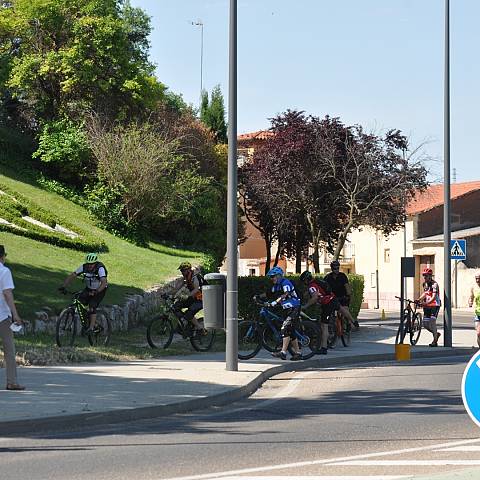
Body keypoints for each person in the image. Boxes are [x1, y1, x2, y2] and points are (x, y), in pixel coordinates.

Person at [300, 270, 356, 354]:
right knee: (341, 308)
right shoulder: (318, 281)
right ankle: (353, 321)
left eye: (304, 281)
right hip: (333, 298)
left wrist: (305, 306)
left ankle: (324, 348)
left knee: (324, 326)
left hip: (327, 304)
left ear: (306, 280)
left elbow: (315, 297)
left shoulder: (312, 286)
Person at [60, 253, 108, 334]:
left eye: (91, 264)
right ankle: (89, 320)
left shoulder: (100, 269)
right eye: (88, 264)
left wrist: (96, 291)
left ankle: (91, 328)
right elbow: (73, 275)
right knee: (79, 300)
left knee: (92, 305)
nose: (89, 266)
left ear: (95, 263)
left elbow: (104, 283)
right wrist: (64, 286)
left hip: (100, 290)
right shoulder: (84, 267)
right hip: (89, 289)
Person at [0, 245, 25, 390]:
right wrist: (15, 315)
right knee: (9, 349)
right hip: (2, 315)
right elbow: (8, 294)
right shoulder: (4, 271)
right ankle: (11, 381)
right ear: (3, 256)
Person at [266, 266, 302, 361]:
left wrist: (276, 302)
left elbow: (286, 294)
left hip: (294, 307)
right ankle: (298, 353)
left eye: (273, 276)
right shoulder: (276, 286)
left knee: (285, 328)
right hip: (286, 309)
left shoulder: (286, 282)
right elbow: (269, 293)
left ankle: (283, 352)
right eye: (270, 277)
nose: (271, 278)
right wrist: (258, 297)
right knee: (291, 331)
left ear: (279, 276)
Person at [172, 262, 206, 334]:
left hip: (201, 300)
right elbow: (179, 287)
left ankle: (200, 329)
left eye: (183, 270)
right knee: (176, 306)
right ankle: (184, 324)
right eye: (181, 271)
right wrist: (171, 295)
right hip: (193, 298)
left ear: (188, 270)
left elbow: (196, 289)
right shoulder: (186, 277)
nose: (182, 272)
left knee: (189, 314)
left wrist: (187, 296)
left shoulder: (195, 277)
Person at [324, 260, 359, 329]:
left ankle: (350, 322)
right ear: (331, 268)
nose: (336, 270)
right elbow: (324, 287)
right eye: (334, 268)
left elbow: (347, 286)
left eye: (337, 268)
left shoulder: (342, 276)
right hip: (333, 297)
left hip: (343, 297)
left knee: (345, 309)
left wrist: (348, 295)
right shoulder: (328, 277)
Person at [416, 267, 441, 347]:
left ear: (430, 276)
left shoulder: (434, 284)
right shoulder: (425, 284)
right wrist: (419, 299)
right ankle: (436, 334)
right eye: (424, 276)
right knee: (425, 324)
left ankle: (435, 341)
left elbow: (433, 296)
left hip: (434, 305)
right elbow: (425, 294)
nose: (425, 278)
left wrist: (426, 303)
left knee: (432, 322)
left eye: (426, 276)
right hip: (427, 306)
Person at [468, 273, 480, 348]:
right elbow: (471, 296)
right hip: (477, 313)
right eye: (476, 278)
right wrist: (470, 301)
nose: (478, 280)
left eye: (479, 278)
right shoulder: (474, 288)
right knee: (478, 333)